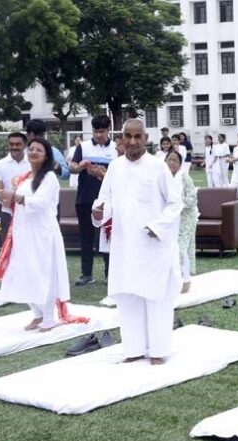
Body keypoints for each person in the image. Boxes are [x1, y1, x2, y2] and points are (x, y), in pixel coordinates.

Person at [92, 119, 182, 365]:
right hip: (124, 245)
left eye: (137, 136)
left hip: (153, 245)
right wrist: (98, 212)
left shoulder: (157, 167)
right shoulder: (115, 167)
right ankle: (133, 349)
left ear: (146, 138)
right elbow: (105, 201)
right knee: (127, 296)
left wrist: (158, 226)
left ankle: (158, 351)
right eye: (127, 136)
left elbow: (175, 203)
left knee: (155, 298)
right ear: (121, 139)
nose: (132, 141)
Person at [0, 139, 82, 332]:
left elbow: (40, 202)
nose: (33, 152)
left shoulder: (49, 177)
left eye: (38, 150)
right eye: (31, 149)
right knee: (25, 272)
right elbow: (17, 203)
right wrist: (9, 198)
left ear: (46, 155)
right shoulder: (25, 177)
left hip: (43, 234)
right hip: (23, 232)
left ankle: (49, 319)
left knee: (44, 275)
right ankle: (37, 314)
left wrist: (16, 197)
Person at [69, 115, 117, 286]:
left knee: (108, 237)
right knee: (86, 237)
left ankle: (109, 274)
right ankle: (86, 274)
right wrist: (81, 166)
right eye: (95, 131)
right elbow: (72, 168)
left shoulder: (115, 148)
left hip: (107, 201)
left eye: (102, 131)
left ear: (108, 130)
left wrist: (102, 173)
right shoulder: (83, 146)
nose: (98, 135)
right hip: (85, 198)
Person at [165, 151, 198, 294]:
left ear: (180, 164)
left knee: (182, 249)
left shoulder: (184, 177)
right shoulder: (164, 177)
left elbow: (192, 199)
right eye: (169, 160)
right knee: (171, 250)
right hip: (170, 218)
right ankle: (172, 279)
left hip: (186, 217)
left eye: (175, 161)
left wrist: (177, 204)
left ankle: (185, 280)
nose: (172, 163)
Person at [0, 133, 31, 246]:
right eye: (11, 144)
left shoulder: (32, 163)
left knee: (28, 247)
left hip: (28, 212)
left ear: (25, 145)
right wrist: (9, 201)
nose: (14, 147)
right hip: (7, 212)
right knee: (6, 247)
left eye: (18, 144)